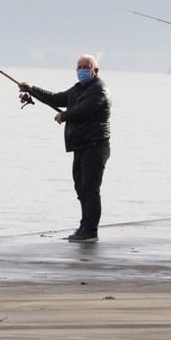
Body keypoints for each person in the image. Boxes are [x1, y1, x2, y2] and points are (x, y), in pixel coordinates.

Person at [19, 54, 111, 242]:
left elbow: (84, 109)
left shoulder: (99, 90)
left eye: (86, 67)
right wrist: (32, 89)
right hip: (80, 146)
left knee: (90, 188)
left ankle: (90, 231)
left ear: (96, 70)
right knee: (80, 188)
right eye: (79, 67)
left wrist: (64, 116)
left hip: (95, 147)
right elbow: (55, 98)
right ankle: (84, 227)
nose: (82, 70)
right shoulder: (77, 89)